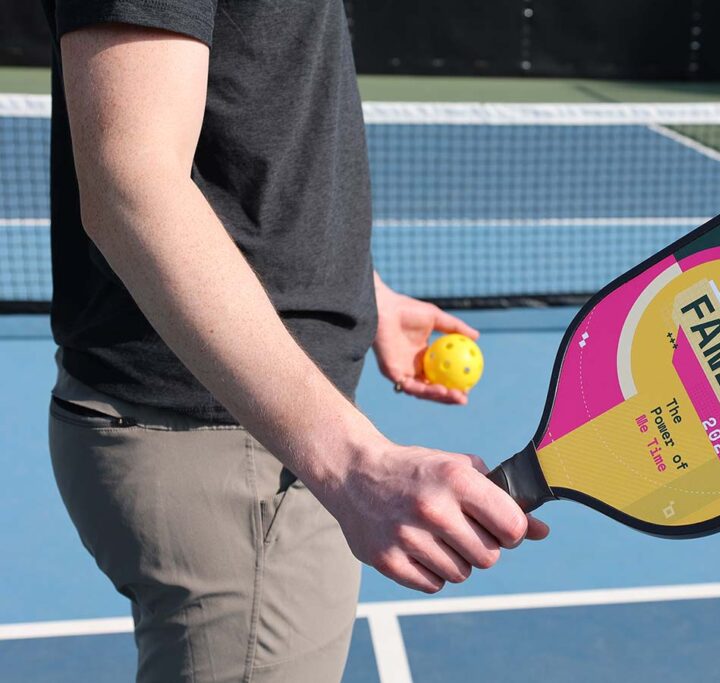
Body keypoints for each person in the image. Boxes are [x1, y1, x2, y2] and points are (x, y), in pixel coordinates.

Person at [42, 2, 548, 681]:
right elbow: (130, 185)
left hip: (249, 444)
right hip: (228, 453)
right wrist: (352, 460)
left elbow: (247, 136)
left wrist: (360, 294)